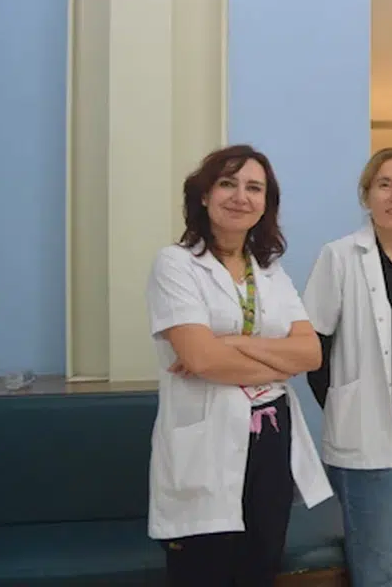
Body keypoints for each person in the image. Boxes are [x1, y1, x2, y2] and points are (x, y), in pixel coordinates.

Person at [145, 144, 332, 586]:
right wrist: (274, 358)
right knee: (203, 571)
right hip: (205, 442)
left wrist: (231, 342)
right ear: (204, 195)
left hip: (271, 440)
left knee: (260, 568)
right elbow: (200, 358)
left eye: (254, 188)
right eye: (227, 184)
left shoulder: (269, 271)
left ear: (266, 203)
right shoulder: (176, 264)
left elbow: (310, 354)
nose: (240, 197)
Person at [302, 147, 392, 587]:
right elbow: (313, 350)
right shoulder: (340, 256)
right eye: (385, 185)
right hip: (368, 424)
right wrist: (347, 406)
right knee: (378, 569)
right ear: (367, 195)